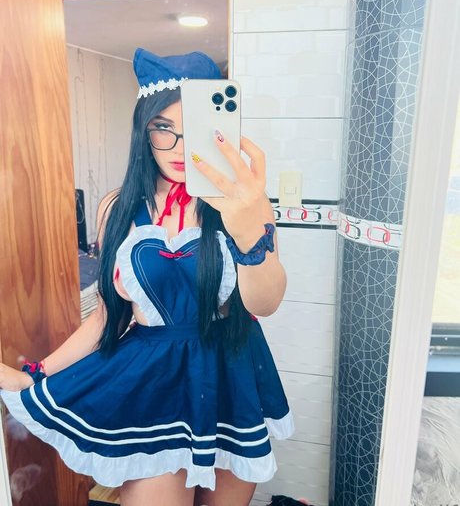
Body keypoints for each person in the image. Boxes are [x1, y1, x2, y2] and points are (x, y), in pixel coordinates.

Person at [0, 49, 294, 506]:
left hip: (231, 376)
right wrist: (37, 374)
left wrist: (246, 230)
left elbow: (265, 303)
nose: (178, 148)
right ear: (144, 130)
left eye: (193, 130)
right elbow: (108, 317)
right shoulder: (118, 208)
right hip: (155, 381)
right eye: (163, 128)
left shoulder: (245, 202)